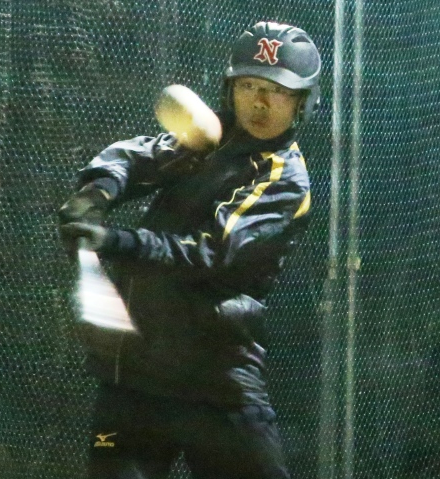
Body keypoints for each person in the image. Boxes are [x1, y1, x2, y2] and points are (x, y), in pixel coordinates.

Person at [58, 20, 321, 479]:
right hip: (133, 378)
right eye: (249, 85)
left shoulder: (283, 178)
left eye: (277, 91)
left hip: (214, 385)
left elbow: (211, 254)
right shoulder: (209, 139)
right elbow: (140, 156)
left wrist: (117, 241)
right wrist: (97, 193)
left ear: (303, 101)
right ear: (230, 89)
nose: (259, 102)